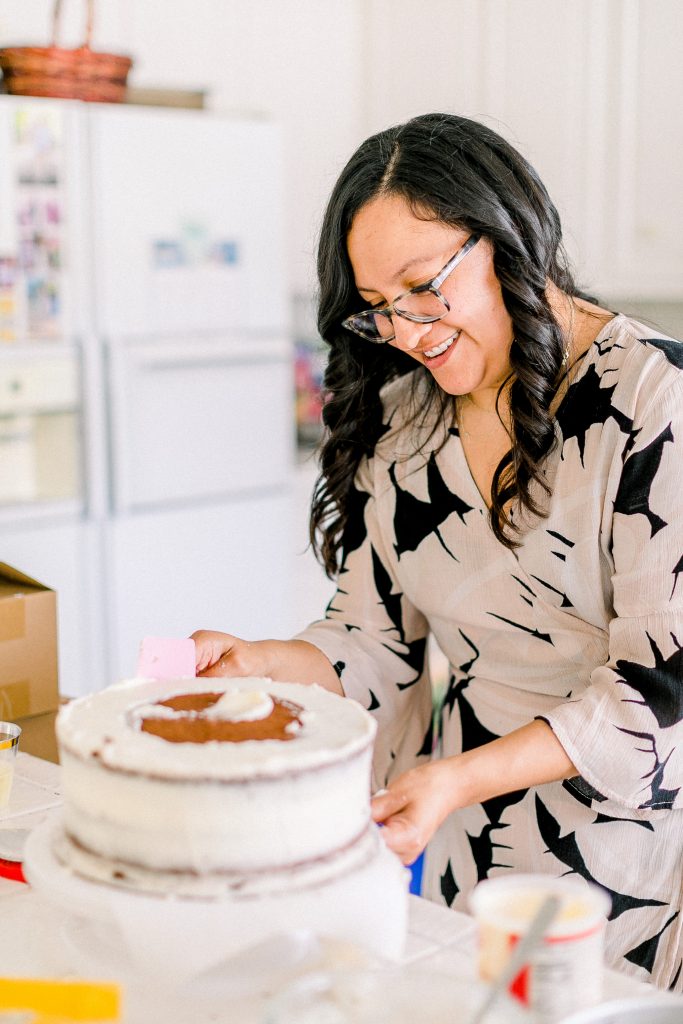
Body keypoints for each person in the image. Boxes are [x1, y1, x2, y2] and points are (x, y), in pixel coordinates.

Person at [192, 112, 683, 992]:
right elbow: (371, 640)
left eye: (422, 287)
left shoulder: (654, 401)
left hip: (631, 867)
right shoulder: (407, 419)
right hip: (470, 846)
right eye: (377, 308)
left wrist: (458, 778)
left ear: (508, 235)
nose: (407, 331)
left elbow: (660, 690)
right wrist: (260, 664)